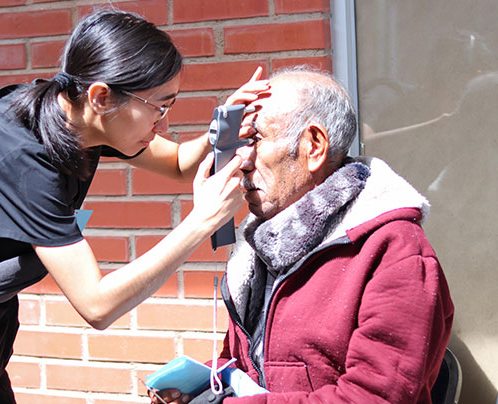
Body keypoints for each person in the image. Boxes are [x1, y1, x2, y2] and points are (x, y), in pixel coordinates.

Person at [0, 9, 269, 404]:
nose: (165, 124)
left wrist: (225, 125)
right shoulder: (24, 161)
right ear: (101, 97)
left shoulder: (74, 113)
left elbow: (178, 163)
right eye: (159, 107)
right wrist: (201, 223)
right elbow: (96, 305)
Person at [150, 67, 454, 404]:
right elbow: (245, 365)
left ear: (314, 146)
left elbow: (376, 397)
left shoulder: (394, 250)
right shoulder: (258, 247)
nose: (241, 161)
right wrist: (196, 388)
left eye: (252, 140)